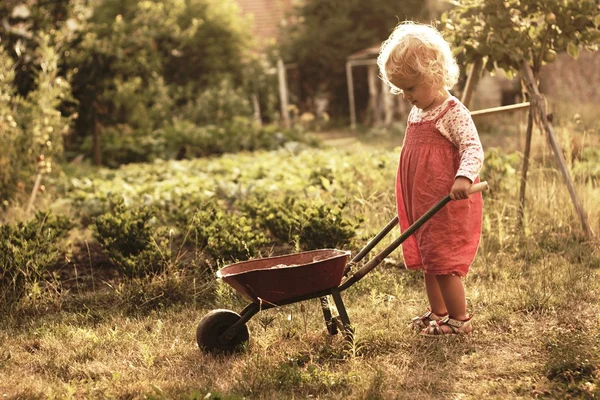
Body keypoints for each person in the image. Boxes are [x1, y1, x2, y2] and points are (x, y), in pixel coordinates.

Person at [377, 21, 484, 335]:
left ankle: (459, 319)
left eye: (410, 87)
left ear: (434, 75)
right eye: (402, 89)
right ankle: (439, 312)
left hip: (445, 203)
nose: (406, 96)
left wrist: (464, 177)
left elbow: (472, 148)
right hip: (421, 201)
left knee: (443, 261)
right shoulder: (419, 110)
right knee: (429, 258)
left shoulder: (452, 112)